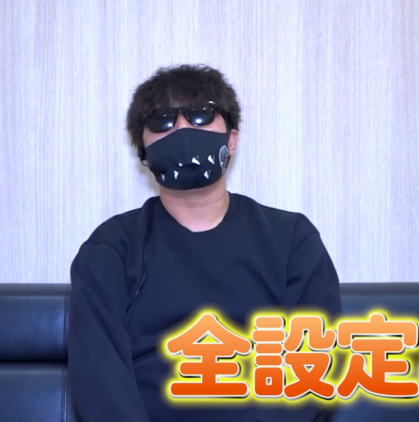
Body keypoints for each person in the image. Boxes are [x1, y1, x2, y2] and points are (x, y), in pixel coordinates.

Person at [67, 64, 342, 422]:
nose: (183, 129)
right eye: (162, 120)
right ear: (143, 153)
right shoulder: (111, 251)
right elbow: (99, 381)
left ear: (231, 139)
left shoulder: (292, 241)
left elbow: (315, 364)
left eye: (201, 114)